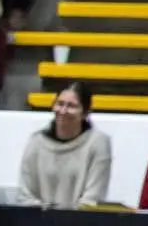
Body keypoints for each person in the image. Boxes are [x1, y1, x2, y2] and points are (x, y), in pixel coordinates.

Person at [18, 81, 110, 209]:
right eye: (60, 104)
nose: (63, 110)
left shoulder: (98, 143)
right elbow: (26, 197)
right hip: (40, 224)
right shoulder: (36, 142)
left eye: (71, 106)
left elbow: (92, 199)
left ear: (85, 112)